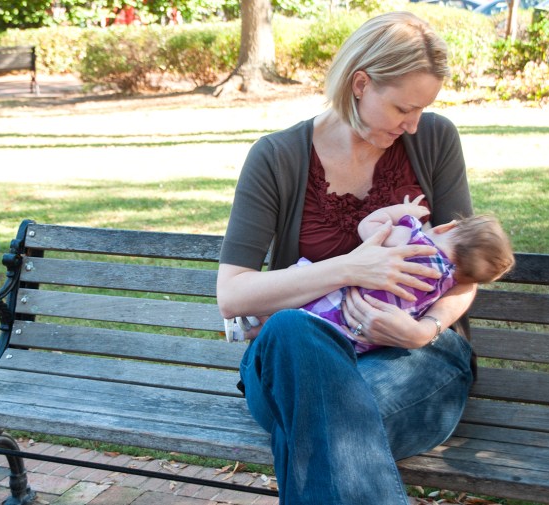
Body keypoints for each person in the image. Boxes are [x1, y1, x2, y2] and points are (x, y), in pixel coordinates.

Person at [217, 11, 480, 504]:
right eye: (404, 107)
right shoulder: (277, 158)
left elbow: (465, 274)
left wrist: (427, 329)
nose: (413, 124)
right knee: (290, 332)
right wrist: (353, 266)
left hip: (414, 355)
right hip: (296, 358)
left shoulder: (435, 141)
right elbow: (232, 295)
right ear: (361, 83)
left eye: (423, 109)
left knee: (316, 423)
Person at [297, 196, 514, 353]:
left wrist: (404, 211)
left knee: (298, 276)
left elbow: (368, 226)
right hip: (360, 342)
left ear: (446, 227)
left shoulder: (413, 241)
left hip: (335, 305)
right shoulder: (444, 286)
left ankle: (266, 324)